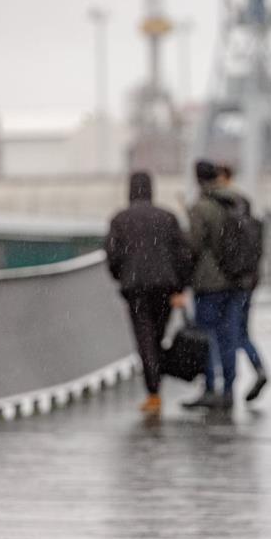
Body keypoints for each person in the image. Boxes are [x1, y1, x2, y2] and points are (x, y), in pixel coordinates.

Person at [104, 172, 193, 415]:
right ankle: (157, 377)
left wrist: (121, 276)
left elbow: (112, 255)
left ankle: (153, 392)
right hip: (165, 286)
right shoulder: (167, 217)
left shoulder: (120, 220)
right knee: (158, 334)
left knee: (144, 337)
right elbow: (183, 254)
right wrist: (180, 287)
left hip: (135, 288)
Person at [182, 160, 247, 410]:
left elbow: (194, 246)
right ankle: (229, 389)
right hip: (235, 279)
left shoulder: (202, 207)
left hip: (208, 283)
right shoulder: (237, 201)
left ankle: (210, 387)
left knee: (207, 336)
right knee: (229, 335)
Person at [216, 163, 270, 401]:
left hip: (233, 282)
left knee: (230, 334)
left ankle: (229, 387)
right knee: (242, 332)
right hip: (250, 280)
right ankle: (258, 369)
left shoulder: (225, 208)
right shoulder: (248, 213)